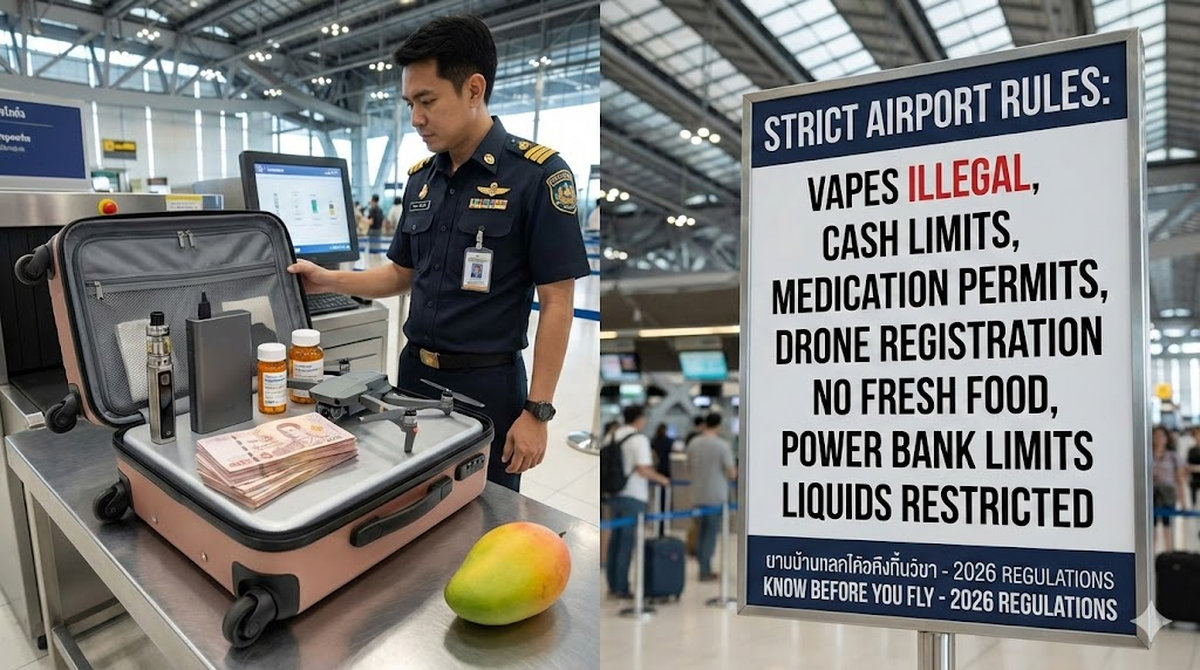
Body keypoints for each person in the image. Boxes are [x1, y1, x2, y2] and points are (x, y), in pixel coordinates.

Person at [287, 15, 589, 492]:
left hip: (488, 387)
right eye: (410, 103)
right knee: (412, 505)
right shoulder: (421, 179)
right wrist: (327, 279)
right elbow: (399, 274)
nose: (416, 119)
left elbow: (558, 301)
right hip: (412, 379)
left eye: (427, 101)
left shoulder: (538, 175)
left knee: (484, 518)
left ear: (474, 89)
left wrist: (538, 411)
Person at [605, 405, 670, 598]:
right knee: (626, 543)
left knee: (614, 543)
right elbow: (643, 469)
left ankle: (613, 586)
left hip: (613, 493)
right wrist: (662, 479)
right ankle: (622, 588)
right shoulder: (639, 439)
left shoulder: (612, 435)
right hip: (633, 496)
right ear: (640, 419)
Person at [687, 413, 736, 581]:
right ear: (719, 425)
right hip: (716, 496)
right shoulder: (722, 445)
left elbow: (689, 467)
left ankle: (703, 566)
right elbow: (731, 472)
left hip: (697, 495)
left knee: (700, 533)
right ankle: (705, 571)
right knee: (710, 534)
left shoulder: (693, 443)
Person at [1153, 425, 1188, 551]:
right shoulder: (1147, 455)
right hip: (1153, 493)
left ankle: (1168, 553)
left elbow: (1179, 479)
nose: (1158, 439)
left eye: (1161, 436)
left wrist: (1183, 500)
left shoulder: (1172, 456)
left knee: (1168, 525)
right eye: (1156, 436)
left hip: (1168, 493)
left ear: (1166, 438)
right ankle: (1152, 553)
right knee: (1152, 525)